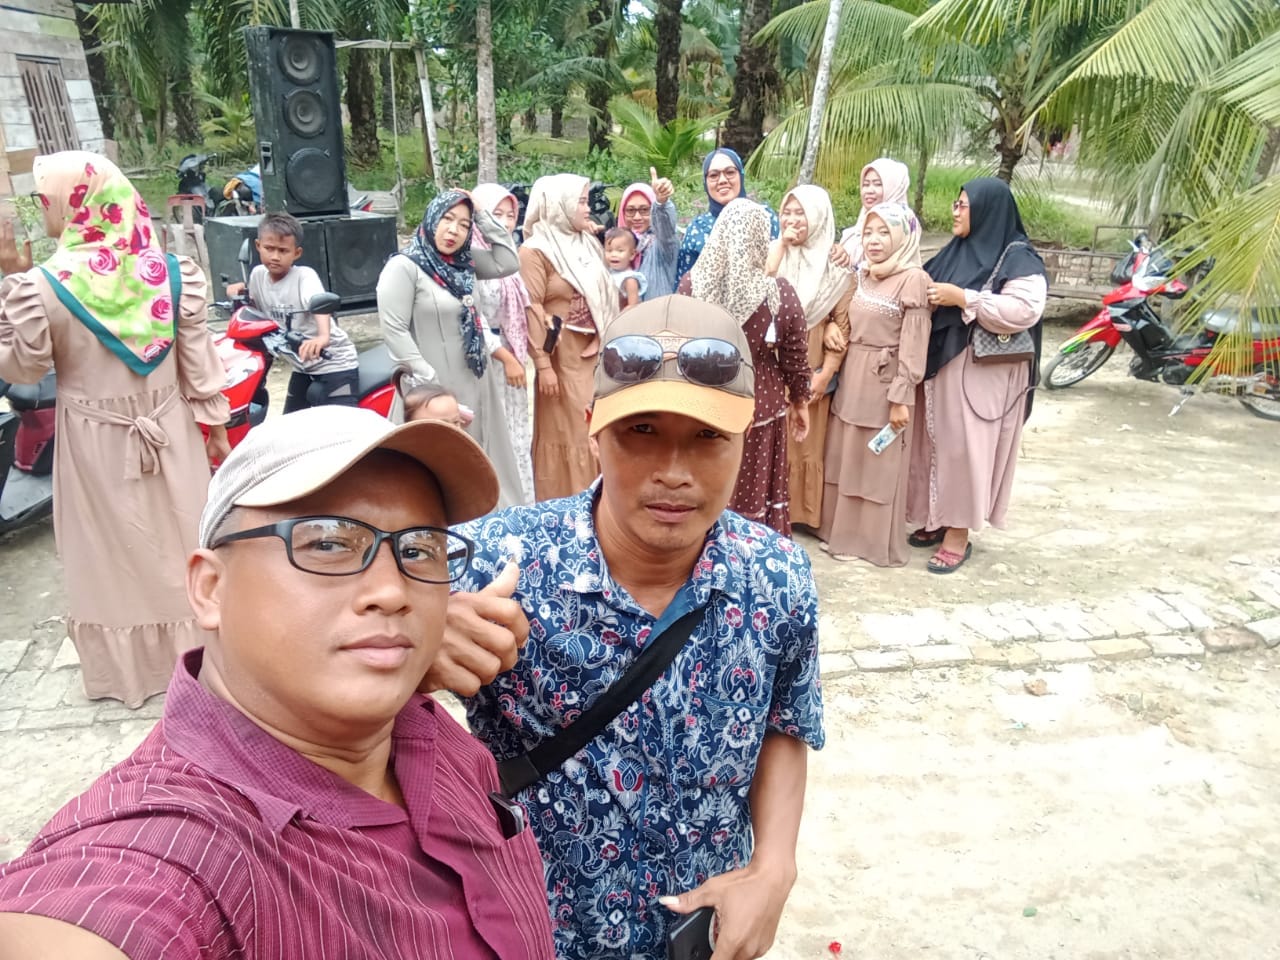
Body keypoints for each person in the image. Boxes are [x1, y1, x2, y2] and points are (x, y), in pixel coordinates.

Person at [0, 406, 557, 959]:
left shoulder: (411, 729)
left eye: (417, 550)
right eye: (328, 543)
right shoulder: (169, 852)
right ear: (210, 588)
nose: (392, 592)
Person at [447, 295, 825, 960]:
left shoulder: (776, 576)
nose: (673, 472)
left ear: (747, 436)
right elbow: (312, 649)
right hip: (536, 930)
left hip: (700, 930)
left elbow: (784, 725)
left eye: (707, 437)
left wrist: (774, 867)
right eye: (640, 431)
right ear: (592, 428)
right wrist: (420, 636)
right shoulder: (498, 562)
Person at [0, 150, 230, 708]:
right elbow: (196, 360)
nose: (42, 208)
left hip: (94, 441)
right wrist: (216, 423)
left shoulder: (42, 286)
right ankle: (205, 655)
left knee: (110, 557)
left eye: (46, 198)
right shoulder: (171, 275)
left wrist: (9, 278)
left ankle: (135, 670)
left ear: (76, 202)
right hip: (171, 430)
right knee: (182, 539)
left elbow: (22, 369)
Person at [907, 177, 1047, 573]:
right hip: (945, 364)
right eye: (955, 203)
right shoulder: (956, 251)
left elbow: (1025, 310)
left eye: (963, 205)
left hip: (984, 372)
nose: (955, 211)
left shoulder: (1019, 258)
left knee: (968, 448)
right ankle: (936, 518)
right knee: (936, 442)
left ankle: (958, 533)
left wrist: (964, 298)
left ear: (987, 211)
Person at [378, 189, 529, 507]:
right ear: (432, 219)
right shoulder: (405, 267)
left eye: (463, 224)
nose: (454, 230)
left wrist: (482, 214)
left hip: (475, 379)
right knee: (434, 464)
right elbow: (394, 330)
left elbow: (507, 261)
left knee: (480, 452)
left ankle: (485, 517)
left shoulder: (465, 263)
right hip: (431, 388)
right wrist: (429, 381)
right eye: (447, 219)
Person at [679, 199, 811, 537]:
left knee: (703, 488)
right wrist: (800, 401)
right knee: (752, 493)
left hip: (702, 406)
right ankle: (749, 557)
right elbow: (796, 358)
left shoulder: (691, 287)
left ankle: (699, 552)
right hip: (759, 405)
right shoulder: (777, 294)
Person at [818, 203, 931, 566]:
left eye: (884, 232)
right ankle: (839, 534)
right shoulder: (863, 273)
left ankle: (866, 542)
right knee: (846, 454)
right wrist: (832, 326)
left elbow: (914, 344)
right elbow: (842, 313)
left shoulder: (913, 279)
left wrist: (900, 397)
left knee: (874, 463)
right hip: (853, 376)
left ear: (902, 237)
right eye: (868, 232)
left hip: (885, 384)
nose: (874, 240)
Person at [519, 173, 619, 501]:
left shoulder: (586, 242)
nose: (587, 208)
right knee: (573, 431)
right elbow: (532, 306)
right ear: (558, 205)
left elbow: (604, 294)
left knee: (600, 425)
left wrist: (604, 336)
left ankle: (603, 504)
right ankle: (571, 505)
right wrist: (543, 364)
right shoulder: (535, 251)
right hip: (563, 358)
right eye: (581, 201)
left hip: (598, 355)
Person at [768, 185, 853, 530]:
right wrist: (779, 247)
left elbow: (843, 328)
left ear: (818, 218)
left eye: (800, 213)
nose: (791, 220)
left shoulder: (836, 269)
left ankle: (800, 514)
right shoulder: (772, 256)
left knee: (804, 442)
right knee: (772, 437)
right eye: (786, 212)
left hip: (811, 362)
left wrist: (825, 373)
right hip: (772, 364)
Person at [228, 212, 361, 412]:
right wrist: (239, 293)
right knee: (290, 424)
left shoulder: (304, 277)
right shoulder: (257, 276)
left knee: (338, 424)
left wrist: (323, 336)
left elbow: (318, 302)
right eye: (269, 248)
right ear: (258, 246)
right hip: (302, 365)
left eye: (283, 251)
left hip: (334, 363)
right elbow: (255, 312)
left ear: (296, 253)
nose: (275, 256)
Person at [471, 182, 535, 502]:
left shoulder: (505, 258)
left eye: (511, 215)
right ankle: (496, 504)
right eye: (497, 215)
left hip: (511, 355)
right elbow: (473, 316)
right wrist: (505, 358)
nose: (506, 223)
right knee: (495, 433)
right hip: (488, 359)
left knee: (516, 434)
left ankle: (520, 504)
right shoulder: (472, 258)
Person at [675, 148, 780, 282]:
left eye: (730, 172)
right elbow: (685, 284)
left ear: (741, 176)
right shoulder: (697, 229)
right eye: (714, 175)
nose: (722, 180)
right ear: (705, 182)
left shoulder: (764, 217)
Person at [617, 167, 679, 298]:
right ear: (622, 213)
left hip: (657, 311)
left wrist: (662, 203)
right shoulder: (615, 247)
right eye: (630, 210)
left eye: (645, 210)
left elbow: (666, 228)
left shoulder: (662, 245)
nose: (637, 217)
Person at [837, 157, 911, 267]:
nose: (869, 191)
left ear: (893, 188)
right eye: (866, 184)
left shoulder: (902, 227)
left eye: (877, 184)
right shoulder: (859, 226)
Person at [603, 227, 645, 309]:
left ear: (632, 254)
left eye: (620, 251)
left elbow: (633, 306)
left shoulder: (629, 279)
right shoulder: (607, 271)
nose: (613, 255)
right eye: (609, 250)